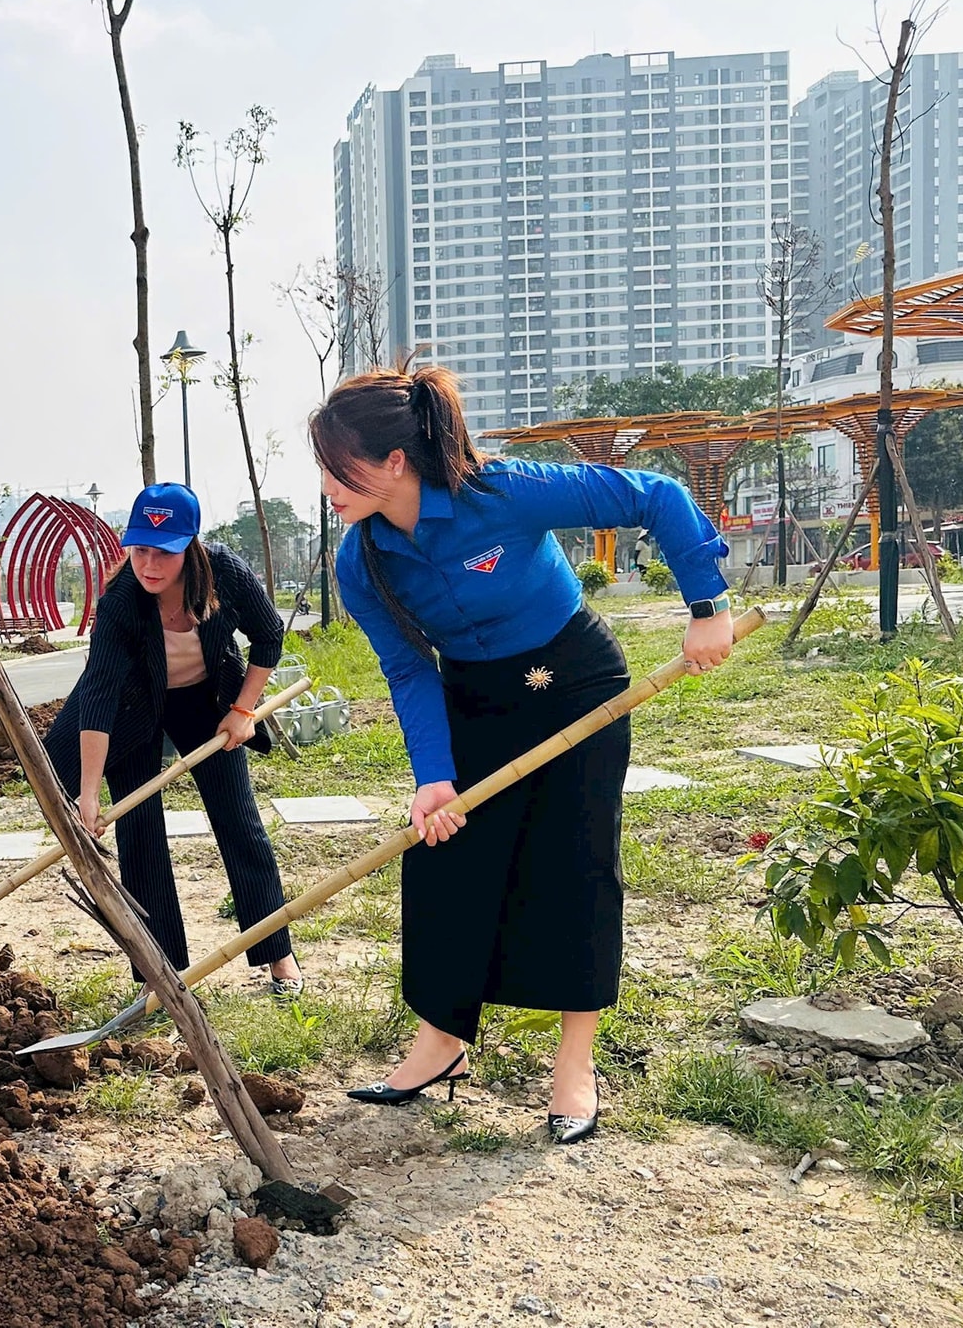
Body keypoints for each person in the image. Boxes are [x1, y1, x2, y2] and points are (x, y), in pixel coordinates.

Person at [308, 365, 733, 1144]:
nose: (329, 487)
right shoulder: (360, 560)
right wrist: (434, 778)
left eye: (340, 468)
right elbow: (408, 668)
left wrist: (707, 605)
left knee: (577, 861)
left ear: (395, 460)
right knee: (442, 852)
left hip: (575, 682)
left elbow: (656, 495)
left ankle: (575, 1064)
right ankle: (441, 1041)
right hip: (475, 694)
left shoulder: (500, 492)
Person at [44, 484, 304, 995]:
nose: (149, 564)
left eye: (164, 552)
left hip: (206, 700)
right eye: (140, 549)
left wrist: (242, 710)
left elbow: (269, 635)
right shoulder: (121, 601)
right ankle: (159, 973)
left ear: (190, 545)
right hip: (131, 705)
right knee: (139, 831)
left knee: (238, 820)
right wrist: (88, 794)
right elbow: (98, 695)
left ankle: (278, 953)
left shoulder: (224, 573)